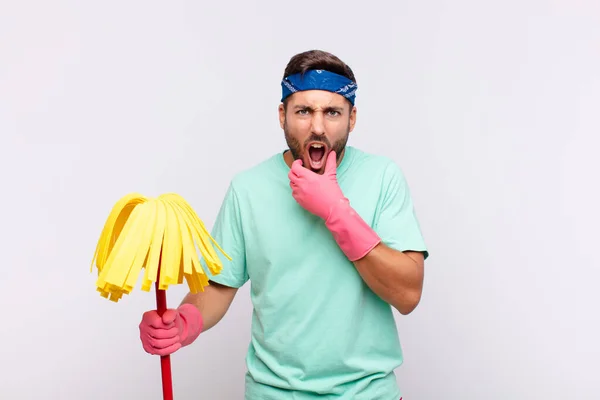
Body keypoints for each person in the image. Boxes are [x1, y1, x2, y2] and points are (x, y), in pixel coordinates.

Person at [139, 49, 429, 400]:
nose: (318, 126)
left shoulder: (383, 177)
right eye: (304, 111)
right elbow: (217, 287)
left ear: (352, 118)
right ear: (282, 115)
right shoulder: (247, 189)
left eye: (332, 112)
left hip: (369, 393)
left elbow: (408, 293)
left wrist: (336, 211)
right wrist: (184, 322)